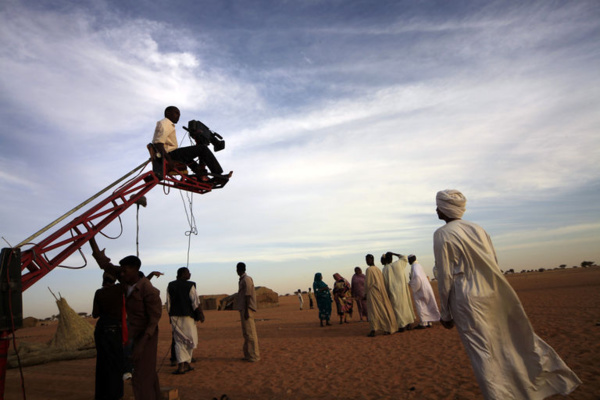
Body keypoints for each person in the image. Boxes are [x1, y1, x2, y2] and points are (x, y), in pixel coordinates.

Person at [433, 189, 581, 399]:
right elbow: (493, 261)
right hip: (493, 292)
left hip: (467, 298)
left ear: (445, 208)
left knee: (482, 353)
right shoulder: (479, 229)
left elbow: (445, 275)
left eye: (438, 206)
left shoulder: (442, 233)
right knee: (506, 343)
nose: (436, 210)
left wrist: (446, 313)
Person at [89, 239, 162, 400]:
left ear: (135, 270)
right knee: (147, 372)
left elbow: (153, 322)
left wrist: (140, 346)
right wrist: (91, 239)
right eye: (120, 271)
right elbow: (105, 264)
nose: (120, 274)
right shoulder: (125, 278)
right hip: (130, 333)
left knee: (141, 378)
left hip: (145, 336)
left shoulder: (149, 291)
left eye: (124, 271)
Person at [152, 106, 231, 184]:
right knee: (202, 149)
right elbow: (158, 143)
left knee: (188, 159)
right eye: (176, 113)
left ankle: (201, 176)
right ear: (168, 113)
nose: (178, 116)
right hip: (170, 154)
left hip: (171, 154)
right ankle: (218, 175)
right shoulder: (166, 123)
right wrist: (169, 160)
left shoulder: (168, 124)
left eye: (179, 114)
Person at [92, 272, 124, 400]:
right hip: (114, 329)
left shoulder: (99, 292)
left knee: (102, 362)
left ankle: (101, 394)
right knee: (116, 363)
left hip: (101, 329)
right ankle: (115, 394)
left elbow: (95, 314)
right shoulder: (119, 289)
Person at [167, 267, 203, 375]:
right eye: (188, 272)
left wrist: (170, 316)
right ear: (183, 274)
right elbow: (195, 302)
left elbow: (168, 303)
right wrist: (200, 314)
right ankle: (181, 366)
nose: (190, 274)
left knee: (180, 340)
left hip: (175, 317)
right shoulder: (190, 285)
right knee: (188, 340)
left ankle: (186, 364)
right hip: (188, 317)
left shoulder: (170, 285)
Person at [365, 254, 398, 337]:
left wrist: (365, 293)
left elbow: (368, 283)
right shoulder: (378, 269)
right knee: (382, 309)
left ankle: (374, 329)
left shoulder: (369, 270)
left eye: (368, 259)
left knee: (374, 311)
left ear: (371, 260)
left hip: (373, 293)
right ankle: (387, 327)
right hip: (380, 292)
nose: (367, 261)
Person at [382, 252, 415, 332]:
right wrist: (394, 253)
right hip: (402, 290)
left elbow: (385, 282)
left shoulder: (385, 269)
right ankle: (408, 323)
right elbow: (404, 257)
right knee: (405, 306)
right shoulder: (398, 264)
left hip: (393, 291)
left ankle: (401, 325)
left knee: (397, 309)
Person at [407, 255, 440, 329]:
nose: (408, 262)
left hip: (420, 289)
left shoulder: (414, 267)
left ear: (411, 260)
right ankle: (429, 321)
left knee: (421, 305)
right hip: (426, 287)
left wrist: (413, 285)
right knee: (427, 305)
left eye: (409, 260)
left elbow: (417, 278)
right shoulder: (418, 265)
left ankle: (423, 323)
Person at [236, 262, 260, 362]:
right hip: (243, 308)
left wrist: (246, 310)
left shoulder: (246, 279)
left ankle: (254, 356)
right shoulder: (242, 280)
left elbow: (247, 295)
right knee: (246, 333)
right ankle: (248, 355)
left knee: (250, 334)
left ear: (238, 270)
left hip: (247, 309)